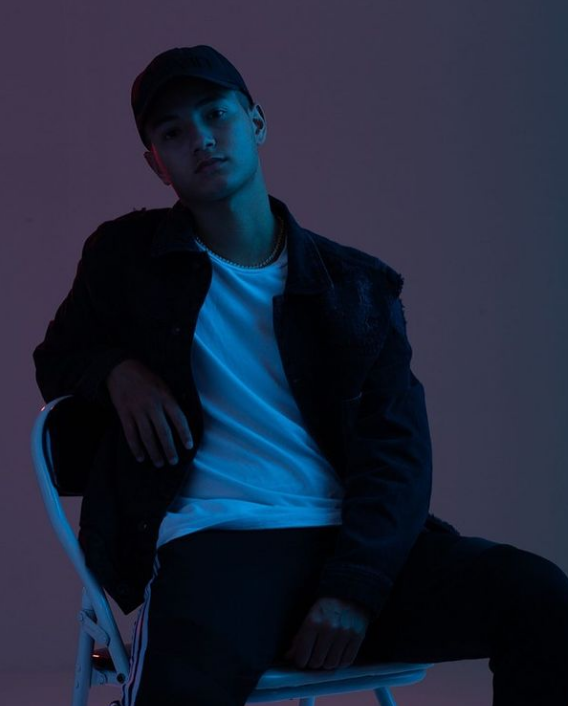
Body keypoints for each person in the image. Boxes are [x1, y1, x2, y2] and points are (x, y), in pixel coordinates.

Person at [32, 45, 568, 706]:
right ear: (156, 165)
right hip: (218, 545)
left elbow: (397, 451)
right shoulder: (126, 258)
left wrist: (354, 586)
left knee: (539, 594)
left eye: (216, 114)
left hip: (352, 544)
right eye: (172, 132)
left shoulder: (356, 288)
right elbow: (57, 357)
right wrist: (117, 370)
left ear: (256, 122)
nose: (200, 138)